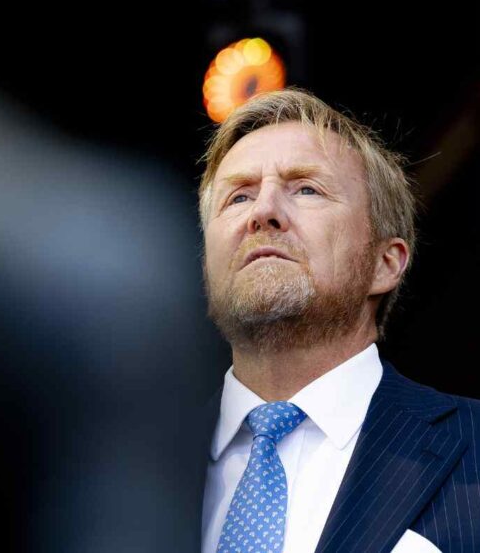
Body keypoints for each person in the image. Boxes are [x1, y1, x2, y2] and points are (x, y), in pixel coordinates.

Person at [197, 88, 480, 552]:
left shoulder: (473, 450)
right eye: (239, 196)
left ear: (384, 263)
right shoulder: (117, 465)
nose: (263, 212)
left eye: (306, 189)